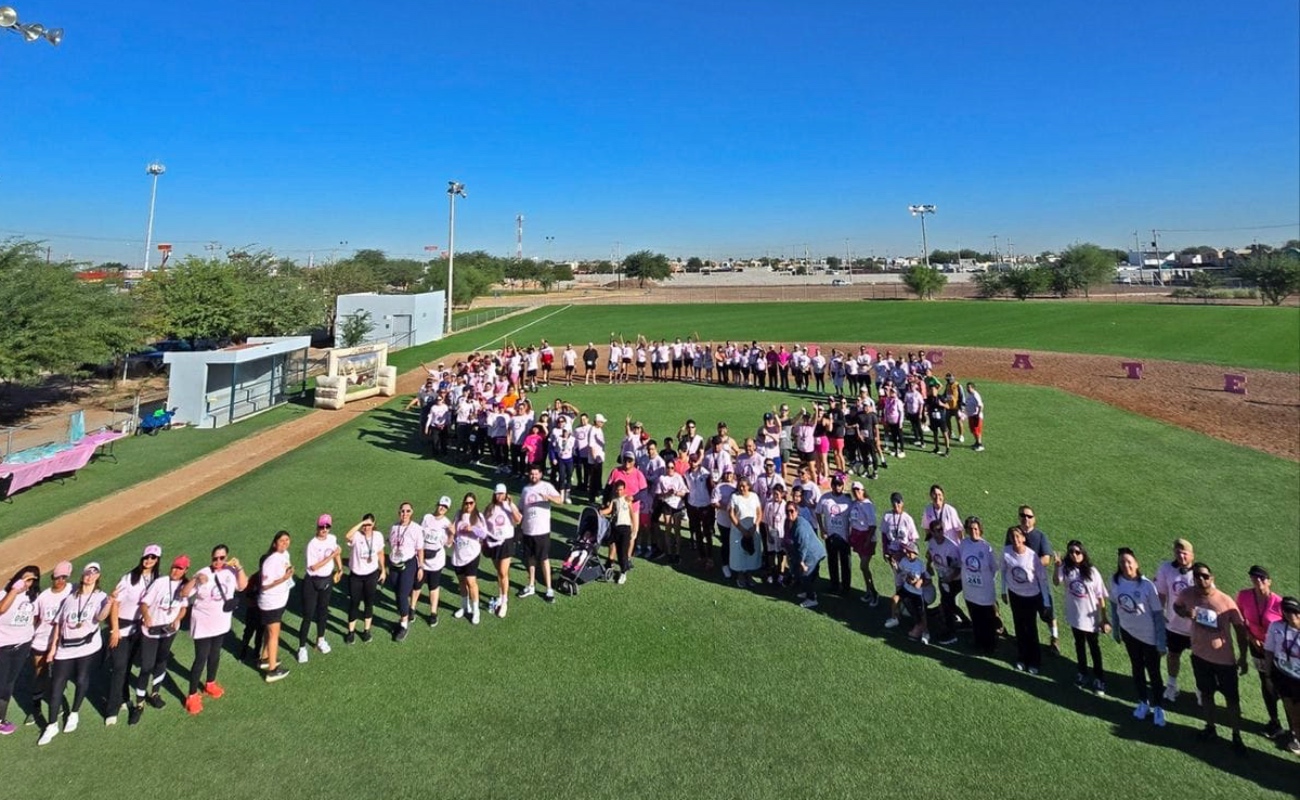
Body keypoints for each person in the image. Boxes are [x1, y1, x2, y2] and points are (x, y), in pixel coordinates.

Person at [1174, 561, 1249, 754]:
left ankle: (1236, 735)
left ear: (1212, 578)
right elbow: (1177, 606)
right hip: (1200, 656)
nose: (1201, 579)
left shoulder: (1224, 601)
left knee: (1232, 700)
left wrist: (1243, 657)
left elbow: (1240, 629)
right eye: (1197, 576)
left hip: (1224, 661)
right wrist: (1184, 613)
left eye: (1205, 576)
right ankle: (1210, 728)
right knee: (1206, 694)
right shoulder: (1187, 594)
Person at [38, 562, 111, 745]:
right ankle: (52, 724)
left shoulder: (101, 597)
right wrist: (53, 648)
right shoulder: (70, 598)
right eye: (87, 572)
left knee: (81, 679)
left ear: (98, 577)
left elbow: (100, 617)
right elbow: (59, 624)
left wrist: (109, 604)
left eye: (94, 572)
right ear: (82, 575)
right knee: (56, 686)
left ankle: (74, 713)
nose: (90, 575)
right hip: (65, 648)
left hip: (87, 646)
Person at [183, 544, 247, 715]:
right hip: (203, 624)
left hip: (221, 623)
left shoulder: (230, 571)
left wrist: (239, 567)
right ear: (211, 558)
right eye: (215, 558)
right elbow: (184, 593)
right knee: (201, 658)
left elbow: (242, 586)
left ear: (226, 558)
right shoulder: (203, 572)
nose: (218, 561)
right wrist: (195, 580)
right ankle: (192, 695)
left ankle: (210, 683)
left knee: (215, 654)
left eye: (222, 558)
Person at [1110, 547, 1168, 727]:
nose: (1125, 565)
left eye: (1128, 562)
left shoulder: (1146, 585)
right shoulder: (1115, 581)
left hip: (1148, 637)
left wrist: (1160, 642)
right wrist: (1117, 629)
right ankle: (1143, 702)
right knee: (1137, 668)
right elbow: (1114, 605)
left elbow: (1158, 615)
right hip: (1129, 633)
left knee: (1154, 672)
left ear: (1136, 564)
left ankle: (1158, 707)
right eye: (1122, 562)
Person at [129, 555, 190, 724]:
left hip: (169, 631)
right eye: (174, 567)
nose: (175, 571)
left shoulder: (185, 586)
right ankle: (139, 704)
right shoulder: (160, 582)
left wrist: (178, 619)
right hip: (151, 631)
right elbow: (144, 603)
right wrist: (147, 616)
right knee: (146, 667)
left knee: (161, 662)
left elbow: (184, 607)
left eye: (179, 568)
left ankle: (155, 693)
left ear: (185, 571)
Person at [105, 544, 160, 725]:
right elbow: (115, 604)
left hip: (138, 630)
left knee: (127, 666)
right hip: (121, 627)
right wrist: (114, 630)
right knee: (119, 668)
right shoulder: (129, 578)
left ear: (157, 560)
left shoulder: (155, 579)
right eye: (146, 557)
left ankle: (123, 697)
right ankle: (111, 710)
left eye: (152, 558)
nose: (148, 560)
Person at [1236, 565, 1286, 740]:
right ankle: (1274, 721)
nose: (1258, 581)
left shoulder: (1279, 603)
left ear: (1269, 581)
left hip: (1277, 651)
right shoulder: (1244, 596)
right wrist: (1251, 637)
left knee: (1283, 686)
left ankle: (1294, 729)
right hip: (1256, 648)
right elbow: (1240, 620)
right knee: (1266, 682)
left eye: (1262, 578)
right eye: (1254, 577)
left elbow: (1287, 629)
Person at [1055, 540, 1109, 695]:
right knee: (1079, 645)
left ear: (1083, 553)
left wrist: (1104, 618)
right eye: (1071, 552)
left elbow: (1101, 596)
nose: (1074, 555)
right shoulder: (1066, 568)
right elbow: (1056, 582)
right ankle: (1082, 672)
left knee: (1094, 648)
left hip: (1090, 619)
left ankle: (1099, 678)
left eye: (1077, 552)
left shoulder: (1092, 572)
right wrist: (1057, 566)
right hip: (1075, 616)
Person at [26, 561, 72, 729]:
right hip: (42, 640)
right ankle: (36, 706)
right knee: (40, 672)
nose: (60, 580)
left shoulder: (71, 590)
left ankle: (57, 699)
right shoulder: (43, 597)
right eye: (57, 577)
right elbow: (34, 619)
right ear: (52, 577)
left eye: (64, 577)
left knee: (59, 673)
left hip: (62, 640)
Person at [1012, 506, 1059, 654]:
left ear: (1034, 519)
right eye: (1023, 515)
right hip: (1019, 584)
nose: (1026, 518)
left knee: (1047, 612)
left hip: (1039, 583)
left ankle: (1054, 639)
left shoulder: (1040, 536)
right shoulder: (1013, 534)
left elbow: (1046, 559)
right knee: (1025, 615)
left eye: (1029, 516)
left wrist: (1028, 565)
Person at [1155, 538, 1197, 704]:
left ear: (1192, 555)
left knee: (1198, 660)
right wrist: (1160, 614)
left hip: (1194, 628)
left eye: (1184, 553)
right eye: (1178, 552)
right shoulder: (1166, 569)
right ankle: (1172, 685)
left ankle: (1200, 690)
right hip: (1173, 625)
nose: (1181, 556)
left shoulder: (1199, 572)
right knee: (1173, 655)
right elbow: (1161, 593)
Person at [1001, 526, 1048, 674]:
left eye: (1017, 536)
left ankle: (1034, 661)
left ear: (1023, 538)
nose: (1015, 540)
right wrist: (1003, 591)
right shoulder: (1006, 552)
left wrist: (1045, 601)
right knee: (1019, 627)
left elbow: (1042, 579)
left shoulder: (1032, 556)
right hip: (1015, 595)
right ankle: (1021, 658)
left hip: (1031, 596)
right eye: (1012, 537)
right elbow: (1003, 571)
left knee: (1031, 628)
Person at [298, 514, 343, 663]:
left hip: (327, 579)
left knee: (323, 611)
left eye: (327, 526)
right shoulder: (312, 544)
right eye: (322, 526)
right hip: (312, 581)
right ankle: (302, 647)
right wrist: (332, 555)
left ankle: (320, 640)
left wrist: (340, 568)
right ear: (317, 527)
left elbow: (337, 552)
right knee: (308, 615)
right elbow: (314, 566)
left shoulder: (332, 538)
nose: (324, 529)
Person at [0, 565, 39, 736]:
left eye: (31, 580)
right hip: (3, 646)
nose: (27, 582)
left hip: (22, 645)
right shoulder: (4, 594)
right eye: (24, 578)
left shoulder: (33, 597)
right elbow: (1, 609)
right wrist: (14, 591)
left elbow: (36, 617)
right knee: (1, 684)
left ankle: (1, 719)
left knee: (9, 684)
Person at [1262, 596, 1300, 755]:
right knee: (1290, 710)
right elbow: (1269, 650)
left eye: (1294, 611)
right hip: (1282, 675)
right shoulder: (1276, 626)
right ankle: (1297, 738)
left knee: (1298, 712)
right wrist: (1268, 674)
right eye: (1287, 611)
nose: (1291, 614)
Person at [519, 467, 563, 603]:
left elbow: (560, 500)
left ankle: (549, 589)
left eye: (536, 474)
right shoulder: (525, 489)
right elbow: (521, 509)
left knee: (543, 559)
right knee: (530, 558)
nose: (533, 476)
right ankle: (531, 585)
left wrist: (548, 497)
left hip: (541, 531)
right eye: (531, 474)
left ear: (540, 475)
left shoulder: (546, 486)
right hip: (528, 530)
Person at [257, 532, 294, 683]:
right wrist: (283, 579)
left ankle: (265, 658)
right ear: (274, 543)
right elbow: (265, 585)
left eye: (287, 540)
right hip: (271, 603)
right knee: (274, 635)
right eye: (281, 540)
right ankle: (272, 671)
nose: (284, 543)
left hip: (278, 601)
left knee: (269, 631)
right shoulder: (270, 561)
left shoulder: (285, 554)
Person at [959, 517, 999, 654]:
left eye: (975, 529)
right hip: (970, 590)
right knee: (975, 618)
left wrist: (986, 580)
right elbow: (961, 562)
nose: (973, 531)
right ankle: (978, 642)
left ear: (980, 530)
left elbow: (994, 568)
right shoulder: (963, 544)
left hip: (985, 591)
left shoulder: (986, 547)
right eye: (970, 529)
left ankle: (990, 645)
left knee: (987, 619)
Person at [344, 514, 385, 643]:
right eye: (365, 525)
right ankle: (351, 632)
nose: (367, 527)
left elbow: (380, 553)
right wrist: (360, 524)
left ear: (374, 524)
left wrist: (383, 569)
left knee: (369, 603)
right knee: (354, 603)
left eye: (369, 524)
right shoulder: (357, 535)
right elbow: (347, 536)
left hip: (371, 575)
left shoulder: (378, 536)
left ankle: (366, 630)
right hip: (356, 576)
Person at [880, 492, 919, 629]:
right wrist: (885, 552)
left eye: (898, 502)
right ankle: (897, 613)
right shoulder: (887, 516)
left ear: (902, 503)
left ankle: (907, 610)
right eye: (894, 502)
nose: (896, 505)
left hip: (904, 557)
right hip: (893, 557)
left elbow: (913, 540)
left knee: (908, 583)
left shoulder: (907, 519)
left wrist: (906, 553)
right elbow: (884, 535)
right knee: (898, 583)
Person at [485, 483, 523, 618]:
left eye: (501, 493)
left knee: (502, 571)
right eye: (497, 493)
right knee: (499, 572)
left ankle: (504, 600)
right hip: (493, 542)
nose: (499, 496)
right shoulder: (490, 508)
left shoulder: (509, 507)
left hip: (506, 542)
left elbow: (518, 519)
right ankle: (501, 594)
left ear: (506, 494)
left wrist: (511, 504)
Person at [452, 493, 488, 624]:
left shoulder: (478, 516)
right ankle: (464, 606)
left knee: (471, 582)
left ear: (475, 503)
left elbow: (484, 534)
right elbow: (454, 530)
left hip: (472, 554)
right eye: (466, 503)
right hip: (458, 554)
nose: (468, 505)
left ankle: (475, 611)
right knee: (461, 581)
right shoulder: (458, 514)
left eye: (471, 503)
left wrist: (472, 528)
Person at [416, 498, 453, 627]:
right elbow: (418, 534)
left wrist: (452, 534)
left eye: (445, 507)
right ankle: (411, 609)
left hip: (436, 561)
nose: (442, 508)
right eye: (441, 504)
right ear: (437, 504)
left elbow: (448, 544)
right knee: (417, 585)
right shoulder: (426, 517)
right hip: (422, 558)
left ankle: (433, 613)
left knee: (433, 587)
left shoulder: (447, 523)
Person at [388, 502, 422, 640]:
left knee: (402, 594)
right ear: (399, 512)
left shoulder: (416, 529)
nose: (405, 514)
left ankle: (404, 624)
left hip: (409, 564)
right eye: (402, 511)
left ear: (412, 512)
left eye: (408, 511)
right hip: (394, 564)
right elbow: (391, 543)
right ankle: (403, 617)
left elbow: (420, 549)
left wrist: (421, 567)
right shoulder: (394, 527)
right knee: (397, 593)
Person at [925, 520, 962, 645]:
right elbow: (930, 553)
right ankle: (965, 623)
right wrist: (928, 565)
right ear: (932, 532)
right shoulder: (931, 543)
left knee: (947, 604)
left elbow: (958, 568)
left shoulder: (951, 547)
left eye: (940, 530)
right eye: (935, 530)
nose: (938, 533)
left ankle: (951, 633)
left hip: (955, 580)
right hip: (943, 578)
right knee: (947, 603)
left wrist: (950, 578)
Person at [815, 474, 852, 594]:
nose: (837, 487)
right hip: (830, 535)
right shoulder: (825, 498)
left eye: (839, 485)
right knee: (832, 561)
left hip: (844, 536)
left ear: (843, 486)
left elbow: (853, 518)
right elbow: (818, 512)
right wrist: (822, 528)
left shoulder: (848, 500)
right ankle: (834, 585)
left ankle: (846, 587)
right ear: (831, 485)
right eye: (835, 485)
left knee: (845, 563)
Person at [786, 502, 826, 610]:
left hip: (812, 553)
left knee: (805, 574)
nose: (789, 513)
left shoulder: (799, 528)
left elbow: (803, 546)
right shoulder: (797, 521)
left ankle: (812, 598)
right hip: (814, 551)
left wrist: (801, 562)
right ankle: (808, 591)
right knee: (807, 575)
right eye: (787, 511)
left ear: (796, 511)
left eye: (792, 511)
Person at [728, 477, 763, 589]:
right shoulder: (734, 497)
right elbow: (731, 514)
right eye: (740, 486)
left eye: (744, 485)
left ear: (749, 486)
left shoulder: (754, 496)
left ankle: (749, 575)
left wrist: (754, 526)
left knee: (751, 553)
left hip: (752, 530)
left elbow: (759, 512)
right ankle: (740, 576)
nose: (742, 488)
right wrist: (742, 529)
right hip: (738, 530)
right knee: (739, 553)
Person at [847, 482, 878, 604]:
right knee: (864, 568)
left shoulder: (867, 505)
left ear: (863, 490)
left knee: (864, 566)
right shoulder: (854, 504)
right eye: (854, 490)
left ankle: (874, 592)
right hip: (857, 536)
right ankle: (869, 591)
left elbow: (872, 525)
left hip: (866, 537)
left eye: (858, 490)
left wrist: (867, 540)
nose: (856, 492)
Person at [599, 480, 634, 584]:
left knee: (622, 552)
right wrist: (600, 512)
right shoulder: (614, 500)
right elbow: (609, 510)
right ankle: (609, 565)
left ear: (624, 489)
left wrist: (634, 526)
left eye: (621, 489)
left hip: (625, 528)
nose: (619, 492)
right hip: (616, 528)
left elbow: (632, 512)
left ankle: (623, 572)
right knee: (611, 545)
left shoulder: (628, 499)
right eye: (617, 489)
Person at [963, 382, 985, 451]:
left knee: (976, 430)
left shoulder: (976, 395)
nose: (967, 389)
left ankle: (980, 445)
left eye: (969, 387)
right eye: (967, 387)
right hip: (971, 415)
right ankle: (977, 442)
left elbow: (981, 406)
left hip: (975, 416)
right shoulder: (969, 395)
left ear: (973, 388)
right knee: (973, 430)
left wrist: (978, 415)